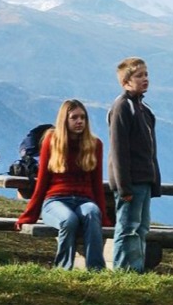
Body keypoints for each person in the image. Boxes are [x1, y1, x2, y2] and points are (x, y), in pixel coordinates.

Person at [16, 99, 111, 270]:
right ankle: (63, 269)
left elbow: (97, 184)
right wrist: (30, 214)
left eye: (83, 117)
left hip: (84, 200)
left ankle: (96, 269)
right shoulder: (51, 141)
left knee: (92, 213)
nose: (79, 121)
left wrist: (103, 215)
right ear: (64, 120)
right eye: (74, 117)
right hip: (55, 201)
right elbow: (42, 181)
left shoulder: (95, 144)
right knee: (69, 220)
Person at [107, 58, 161, 272]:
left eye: (146, 74)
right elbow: (119, 150)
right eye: (139, 76)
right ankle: (122, 270)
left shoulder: (144, 108)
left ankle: (136, 270)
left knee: (141, 227)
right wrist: (124, 186)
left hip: (144, 179)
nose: (145, 79)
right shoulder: (122, 107)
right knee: (127, 227)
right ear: (126, 82)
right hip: (131, 181)